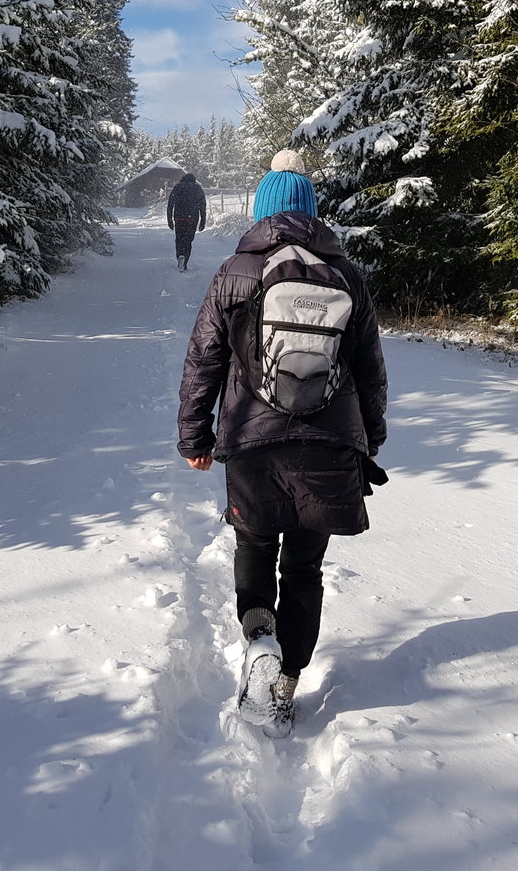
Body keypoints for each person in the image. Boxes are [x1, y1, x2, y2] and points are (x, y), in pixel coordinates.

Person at [175, 149, 387, 737]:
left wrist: (196, 436)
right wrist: (371, 437)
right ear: (313, 211)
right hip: (328, 445)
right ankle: (288, 679)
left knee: (254, 545)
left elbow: (203, 363)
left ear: (263, 210)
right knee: (304, 569)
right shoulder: (346, 274)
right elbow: (370, 368)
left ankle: (258, 638)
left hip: (250, 441)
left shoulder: (235, 273)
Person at [167, 171, 207, 271]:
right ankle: (185, 260)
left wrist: (170, 219)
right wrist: (203, 220)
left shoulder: (178, 187)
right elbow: (203, 206)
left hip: (179, 218)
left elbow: (170, 204)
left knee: (179, 239)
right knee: (188, 241)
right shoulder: (198, 188)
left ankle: (180, 256)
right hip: (192, 219)